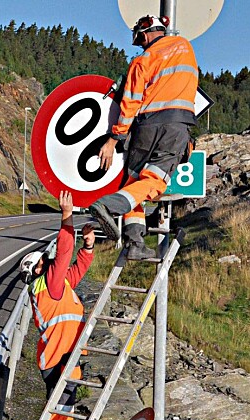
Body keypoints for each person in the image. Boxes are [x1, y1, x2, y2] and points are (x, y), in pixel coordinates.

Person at [89, 14, 198, 260]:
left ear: (145, 33)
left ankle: (135, 242)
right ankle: (109, 205)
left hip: (145, 128)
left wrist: (114, 138)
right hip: (174, 126)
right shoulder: (185, 47)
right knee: (155, 181)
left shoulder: (142, 61)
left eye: (138, 38)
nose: (139, 43)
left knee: (134, 183)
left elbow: (130, 104)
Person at [19, 190, 95, 420]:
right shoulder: (47, 283)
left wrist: (87, 247)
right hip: (61, 359)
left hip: (60, 357)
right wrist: (67, 217)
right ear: (38, 269)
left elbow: (75, 269)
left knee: (60, 411)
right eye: (44, 261)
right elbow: (63, 254)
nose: (49, 261)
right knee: (62, 414)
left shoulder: (55, 285)